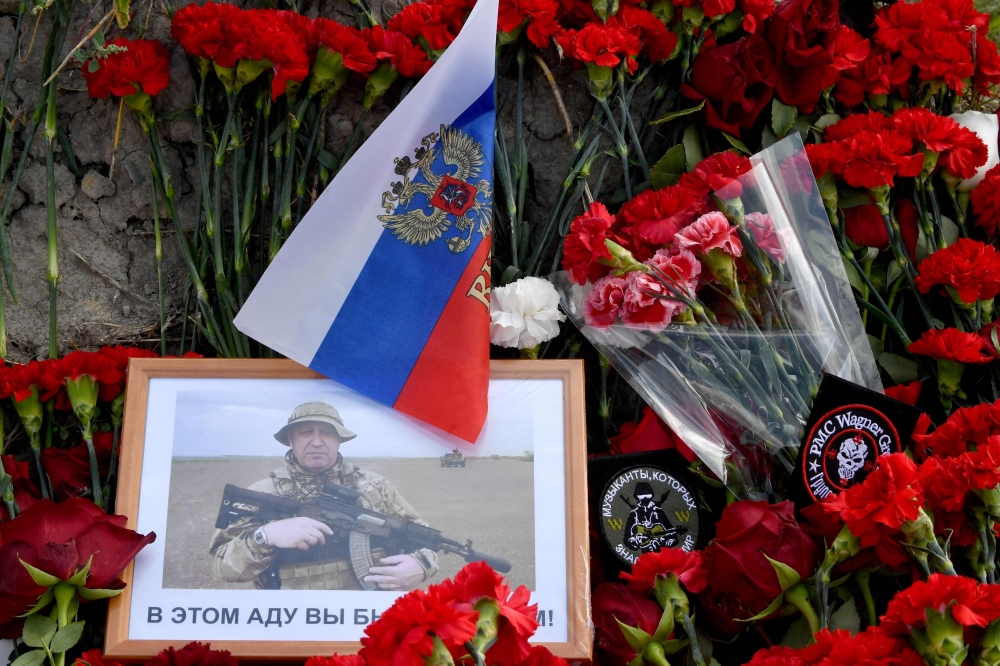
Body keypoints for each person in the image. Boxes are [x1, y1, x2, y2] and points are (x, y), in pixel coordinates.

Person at [209, 402, 438, 590]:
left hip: (365, 617)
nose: (317, 442)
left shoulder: (375, 487)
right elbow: (223, 568)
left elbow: (422, 535)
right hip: (290, 618)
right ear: (291, 439)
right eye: (306, 432)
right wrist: (265, 535)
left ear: (339, 440)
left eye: (327, 433)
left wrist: (421, 564)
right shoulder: (263, 493)